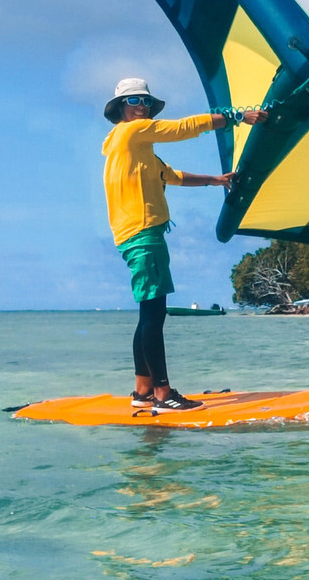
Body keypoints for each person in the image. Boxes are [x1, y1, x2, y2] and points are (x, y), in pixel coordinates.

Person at [102, 77, 267, 412]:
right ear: (121, 107)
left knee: (149, 313)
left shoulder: (138, 151)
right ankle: (163, 395)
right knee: (153, 314)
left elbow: (173, 176)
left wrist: (214, 180)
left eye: (147, 102)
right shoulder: (129, 133)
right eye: (135, 101)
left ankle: (143, 390)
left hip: (136, 234)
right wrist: (236, 116)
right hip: (142, 233)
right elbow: (183, 128)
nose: (143, 107)